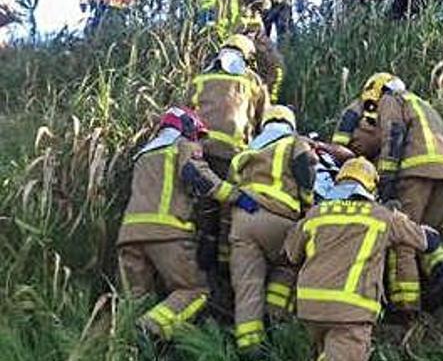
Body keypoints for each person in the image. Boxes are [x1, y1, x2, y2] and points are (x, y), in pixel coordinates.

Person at [284, 157, 440, 361]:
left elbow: (290, 253)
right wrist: (427, 231)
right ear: (371, 188)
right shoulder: (381, 216)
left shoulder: (316, 214)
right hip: (350, 311)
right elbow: (427, 242)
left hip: (310, 306)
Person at [336, 73, 443, 315]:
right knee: (421, 234)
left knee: (402, 238)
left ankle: (406, 308)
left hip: (415, 170)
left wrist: (386, 179)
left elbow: (394, 133)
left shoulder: (390, 100)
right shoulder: (420, 103)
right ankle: (441, 269)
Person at [116, 107, 235, 340]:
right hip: (167, 233)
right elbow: (198, 176)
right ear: (187, 128)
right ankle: (149, 330)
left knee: (135, 299)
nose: (198, 142)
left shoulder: (143, 155)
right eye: (197, 136)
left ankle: (121, 344)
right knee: (195, 291)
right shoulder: (183, 147)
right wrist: (236, 195)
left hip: (129, 235)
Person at [187, 33, 269, 320]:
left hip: (201, 153)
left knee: (203, 213)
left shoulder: (200, 79)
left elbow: (187, 114)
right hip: (235, 155)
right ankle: (223, 280)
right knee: (228, 215)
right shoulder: (253, 80)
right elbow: (263, 123)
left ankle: (202, 274)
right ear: (247, 56)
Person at [226, 104, 317, 353]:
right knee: (289, 265)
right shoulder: (294, 141)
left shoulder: (247, 149)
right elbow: (306, 166)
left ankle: (249, 346)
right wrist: (307, 204)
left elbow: (229, 188)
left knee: (247, 285)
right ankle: (276, 321)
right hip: (279, 220)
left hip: (242, 220)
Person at [215, 0, 285, 103]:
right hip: (247, 31)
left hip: (222, 36)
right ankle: (267, 107)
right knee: (276, 69)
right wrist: (268, 6)